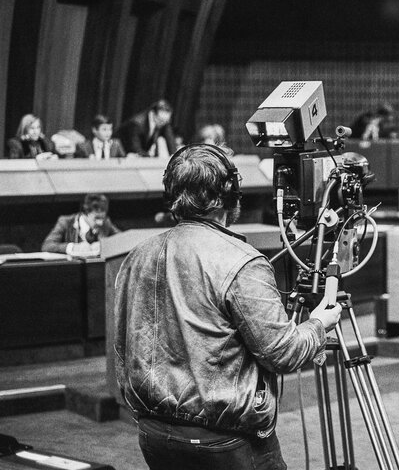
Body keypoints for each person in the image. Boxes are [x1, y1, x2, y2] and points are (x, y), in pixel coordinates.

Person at [114, 144, 342, 470]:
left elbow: (123, 347)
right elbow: (283, 353)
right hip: (225, 441)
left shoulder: (138, 255)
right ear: (228, 194)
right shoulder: (242, 261)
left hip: (153, 433)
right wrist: (319, 324)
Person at [41, 193, 120, 256]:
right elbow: (47, 246)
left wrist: (105, 245)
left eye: (103, 217)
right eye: (96, 218)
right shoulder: (65, 222)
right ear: (85, 214)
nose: (101, 222)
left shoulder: (106, 223)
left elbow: (123, 240)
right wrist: (73, 247)